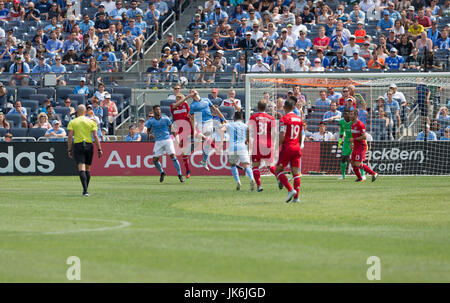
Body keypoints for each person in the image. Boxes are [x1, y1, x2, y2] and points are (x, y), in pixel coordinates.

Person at [67, 105, 103, 196]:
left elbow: (70, 136)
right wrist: (99, 149)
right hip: (89, 145)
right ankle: (86, 189)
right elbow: (95, 136)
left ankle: (85, 190)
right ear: (85, 111)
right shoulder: (91, 122)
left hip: (78, 145)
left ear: (77, 112)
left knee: (81, 168)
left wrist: (69, 149)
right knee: (88, 168)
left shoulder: (73, 122)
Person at [145, 105, 184, 183]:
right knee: (155, 160)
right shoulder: (151, 121)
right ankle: (162, 172)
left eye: (159, 109)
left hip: (167, 140)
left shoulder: (166, 119)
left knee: (173, 156)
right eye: (156, 110)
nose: (158, 111)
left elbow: (172, 129)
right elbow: (148, 131)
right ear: (153, 111)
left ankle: (180, 175)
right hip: (158, 141)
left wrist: (177, 139)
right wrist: (150, 134)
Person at [219, 110, 255, 191]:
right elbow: (248, 136)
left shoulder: (230, 124)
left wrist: (222, 138)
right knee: (246, 165)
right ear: (242, 118)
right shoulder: (245, 126)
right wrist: (247, 143)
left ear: (234, 117)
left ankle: (238, 181)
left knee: (232, 164)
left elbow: (221, 130)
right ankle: (251, 178)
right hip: (242, 147)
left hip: (233, 147)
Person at [275, 97, 302, 203]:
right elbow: (300, 136)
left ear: (285, 107)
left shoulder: (284, 119)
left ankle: (290, 190)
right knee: (296, 173)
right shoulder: (299, 119)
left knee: (277, 170)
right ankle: (296, 198)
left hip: (287, 147)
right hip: (296, 147)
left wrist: (276, 146)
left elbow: (282, 134)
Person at [188, 89, 220, 171]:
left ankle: (204, 161)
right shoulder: (192, 106)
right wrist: (193, 128)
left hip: (209, 121)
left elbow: (214, 109)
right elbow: (192, 118)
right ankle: (194, 146)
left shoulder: (206, 99)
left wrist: (222, 117)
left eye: (194, 91)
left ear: (197, 92)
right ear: (190, 95)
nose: (193, 92)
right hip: (199, 122)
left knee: (206, 145)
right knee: (200, 138)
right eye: (191, 92)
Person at [248, 101, 276, 192]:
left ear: (257, 107)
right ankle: (279, 177)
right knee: (270, 166)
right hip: (268, 143)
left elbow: (248, 129)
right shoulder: (271, 118)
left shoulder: (253, 117)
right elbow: (274, 132)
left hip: (257, 144)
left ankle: (259, 186)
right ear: (266, 107)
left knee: (255, 166)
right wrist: (273, 142)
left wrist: (247, 140)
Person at [349, 109, 378, 182]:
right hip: (356, 146)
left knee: (358, 163)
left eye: (351, 114)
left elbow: (364, 137)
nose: (350, 116)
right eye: (350, 114)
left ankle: (374, 173)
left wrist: (354, 140)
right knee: (352, 162)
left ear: (356, 115)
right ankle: (359, 178)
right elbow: (353, 136)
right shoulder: (352, 124)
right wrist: (352, 143)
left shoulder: (360, 124)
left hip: (361, 147)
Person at [170, 93, 194, 178]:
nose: (178, 99)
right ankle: (187, 170)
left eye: (180, 98)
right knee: (184, 152)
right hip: (179, 131)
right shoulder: (172, 106)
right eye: (177, 98)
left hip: (187, 127)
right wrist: (187, 97)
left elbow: (189, 115)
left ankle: (194, 143)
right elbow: (175, 105)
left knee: (201, 135)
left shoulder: (185, 105)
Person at [338, 110, 365, 180]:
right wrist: (340, 141)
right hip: (347, 142)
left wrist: (355, 141)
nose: (348, 116)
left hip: (355, 140)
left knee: (358, 159)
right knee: (344, 158)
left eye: (349, 114)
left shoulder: (353, 122)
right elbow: (341, 131)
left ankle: (363, 174)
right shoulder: (341, 122)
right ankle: (343, 175)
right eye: (345, 115)